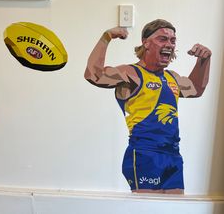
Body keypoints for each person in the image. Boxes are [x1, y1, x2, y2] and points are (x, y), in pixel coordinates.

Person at [84, 19, 211, 194]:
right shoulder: (131, 74)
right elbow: (94, 75)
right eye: (162, 39)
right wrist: (106, 37)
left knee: (175, 210)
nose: (169, 44)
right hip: (145, 154)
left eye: (173, 41)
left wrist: (204, 60)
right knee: (148, 209)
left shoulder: (172, 77)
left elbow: (196, 88)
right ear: (146, 43)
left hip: (173, 155)